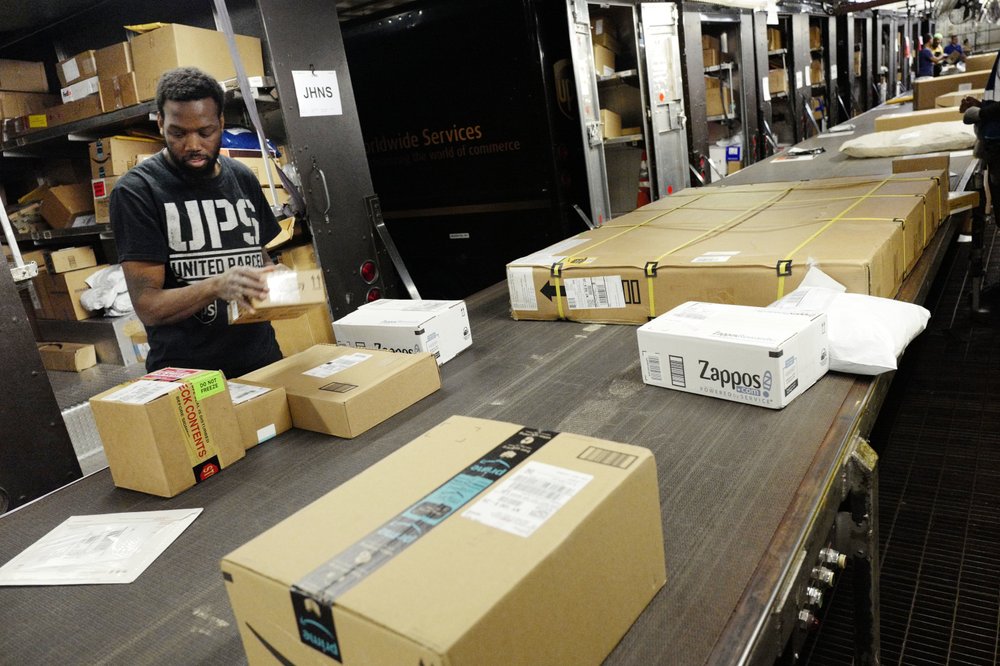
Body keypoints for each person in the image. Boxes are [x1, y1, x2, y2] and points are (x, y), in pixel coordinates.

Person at [109, 66, 283, 378]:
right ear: (161, 122)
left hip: (262, 362)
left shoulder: (242, 178)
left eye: (205, 132)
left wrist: (274, 278)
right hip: (190, 377)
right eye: (178, 133)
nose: (192, 145)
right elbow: (148, 305)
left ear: (220, 123)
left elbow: (258, 255)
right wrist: (218, 284)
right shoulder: (138, 192)